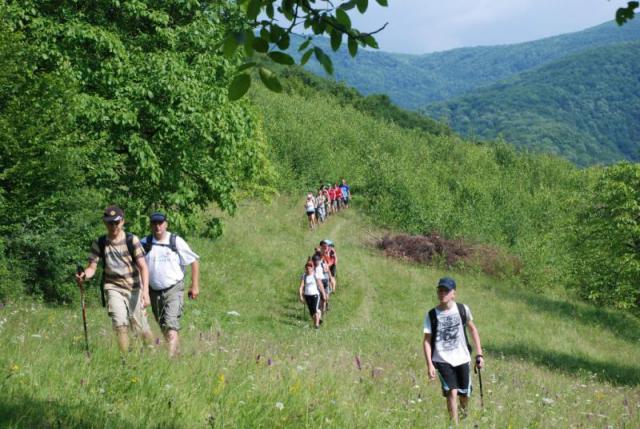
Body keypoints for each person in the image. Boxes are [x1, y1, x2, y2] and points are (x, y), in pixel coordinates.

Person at [75, 205, 153, 353]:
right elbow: (92, 267)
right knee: (120, 324)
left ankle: (152, 350)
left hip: (134, 288)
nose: (113, 226)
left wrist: (146, 293)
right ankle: (125, 360)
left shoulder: (132, 240)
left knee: (141, 328)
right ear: (105, 223)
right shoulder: (100, 242)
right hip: (113, 288)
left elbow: (143, 267)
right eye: (110, 223)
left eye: (116, 222)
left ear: (122, 221)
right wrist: (84, 276)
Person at [423, 277, 484, 425]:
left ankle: (464, 414)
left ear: (453, 293)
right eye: (440, 290)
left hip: (462, 358)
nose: (442, 293)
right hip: (442, 359)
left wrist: (479, 353)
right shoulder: (432, 314)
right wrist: (430, 365)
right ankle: (454, 425)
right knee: (452, 392)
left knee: (464, 394)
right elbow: (426, 340)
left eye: (446, 291)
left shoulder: (463, 309)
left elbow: (472, 329)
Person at [141, 212, 200, 358]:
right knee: (163, 325)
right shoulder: (145, 243)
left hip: (173, 289)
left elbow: (194, 260)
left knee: (171, 323)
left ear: (166, 224)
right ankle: (175, 354)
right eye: (154, 223)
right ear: (150, 225)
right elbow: (136, 266)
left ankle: (170, 359)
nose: (158, 226)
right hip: (153, 290)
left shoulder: (175, 241)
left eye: (160, 223)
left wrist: (195, 285)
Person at [298, 262, 327, 329]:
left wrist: (323, 294)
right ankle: (317, 321)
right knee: (311, 313)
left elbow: (320, 285)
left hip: (315, 295)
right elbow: (301, 286)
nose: (308, 269)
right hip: (307, 296)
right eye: (307, 268)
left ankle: (316, 325)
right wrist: (300, 296)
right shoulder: (304, 276)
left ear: (312, 268)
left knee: (315, 310)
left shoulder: (315, 275)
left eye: (310, 268)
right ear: (305, 269)